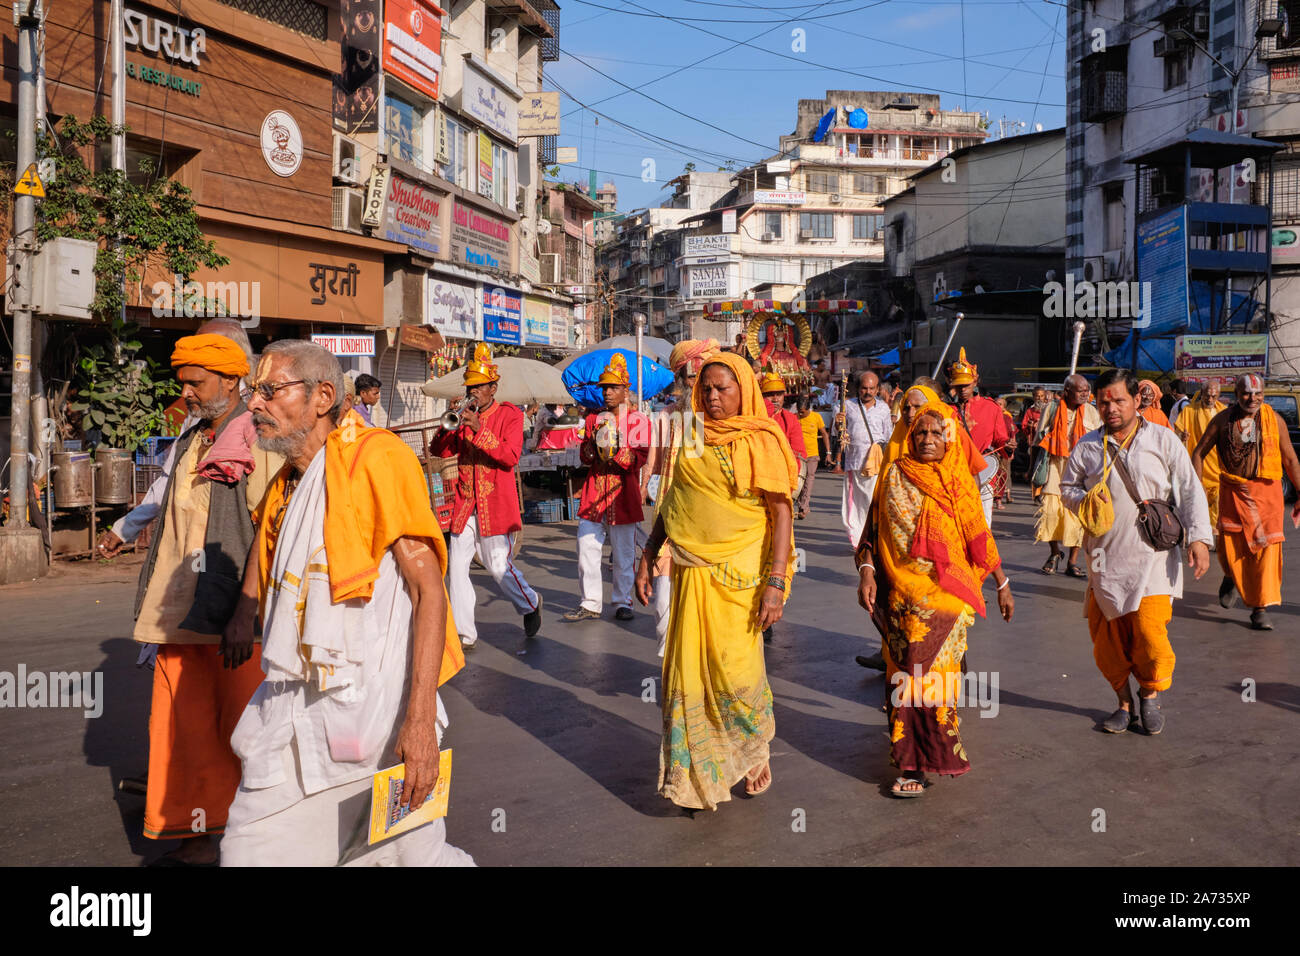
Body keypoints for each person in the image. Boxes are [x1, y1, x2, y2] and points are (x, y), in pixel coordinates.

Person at [220, 341, 473, 866]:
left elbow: (429, 590)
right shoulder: (288, 482)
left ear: (323, 396)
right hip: (291, 712)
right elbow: (264, 555)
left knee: (408, 858)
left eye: (270, 391)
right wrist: (245, 609)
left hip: (377, 714)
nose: (254, 405)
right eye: (253, 392)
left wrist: (420, 721)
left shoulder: (377, 457)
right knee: (249, 848)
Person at [132, 332, 280, 865]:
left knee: (244, 731)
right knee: (183, 732)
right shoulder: (194, 438)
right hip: (178, 619)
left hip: (234, 621)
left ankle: (254, 835)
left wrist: (246, 611)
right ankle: (196, 831)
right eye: (183, 383)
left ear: (230, 379)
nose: (187, 392)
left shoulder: (258, 439)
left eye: (195, 382)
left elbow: (269, 532)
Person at [634, 351, 797, 810]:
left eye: (721, 388)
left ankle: (752, 750)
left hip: (741, 573)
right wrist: (649, 552)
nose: (711, 396)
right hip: (689, 570)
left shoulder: (760, 438)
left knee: (735, 669)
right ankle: (698, 775)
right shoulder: (688, 431)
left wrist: (777, 582)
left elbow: (781, 511)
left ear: (742, 389)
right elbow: (673, 500)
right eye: (705, 388)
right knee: (686, 672)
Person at [855, 403, 1014, 797]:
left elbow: (979, 536)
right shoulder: (893, 474)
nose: (927, 439)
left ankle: (922, 762)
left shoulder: (958, 481)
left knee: (927, 678)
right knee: (903, 676)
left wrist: (1002, 582)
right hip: (899, 594)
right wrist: (867, 571)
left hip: (946, 595)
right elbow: (872, 531)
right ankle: (909, 759)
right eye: (920, 432)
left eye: (935, 433)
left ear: (949, 439)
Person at [1061, 369, 1212, 734]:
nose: (1111, 408)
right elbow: (1067, 487)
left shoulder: (1162, 439)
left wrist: (1198, 539)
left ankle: (1150, 693)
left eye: (1118, 400)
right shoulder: (1087, 446)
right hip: (1104, 559)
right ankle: (1123, 703)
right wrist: (1085, 500)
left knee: (1149, 632)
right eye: (1104, 402)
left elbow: (1190, 489)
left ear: (1136, 400)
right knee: (1107, 641)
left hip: (1153, 559)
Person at [97, 319, 256, 561]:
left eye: (205, 347)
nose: (185, 393)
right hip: (189, 549)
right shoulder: (196, 417)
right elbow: (170, 480)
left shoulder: (259, 415)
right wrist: (126, 527)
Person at [428, 344, 542, 649]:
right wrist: (447, 423)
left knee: (496, 565)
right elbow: (438, 451)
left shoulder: (510, 416)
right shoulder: (463, 415)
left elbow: (510, 456)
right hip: (465, 503)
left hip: (496, 504)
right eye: (470, 387)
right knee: (457, 567)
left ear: (493, 387)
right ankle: (465, 634)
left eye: (479, 387)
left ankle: (530, 603)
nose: (473, 392)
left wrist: (479, 430)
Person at [1191, 373, 1300, 631]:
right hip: (1233, 494)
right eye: (1247, 394)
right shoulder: (1222, 421)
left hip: (1267, 498)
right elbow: (1198, 453)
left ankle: (1259, 609)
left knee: (1264, 554)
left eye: (1258, 393)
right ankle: (1230, 576)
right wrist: (1195, 489)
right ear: (1236, 395)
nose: (1253, 398)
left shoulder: (1275, 420)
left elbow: (1291, 460)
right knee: (1231, 552)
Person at [641, 338, 718, 656]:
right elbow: (651, 467)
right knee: (664, 602)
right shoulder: (666, 418)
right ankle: (668, 665)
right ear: (680, 379)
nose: (695, 383)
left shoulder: (720, 420)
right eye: (689, 376)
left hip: (711, 530)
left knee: (707, 608)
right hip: (671, 526)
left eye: (701, 376)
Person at [564, 353, 651, 622]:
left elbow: (639, 459)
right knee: (586, 547)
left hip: (622, 494)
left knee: (624, 553)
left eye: (613, 387)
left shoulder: (639, 421)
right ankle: (590, 602)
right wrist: (592, 444)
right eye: (604, 388)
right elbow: (585, 458)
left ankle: (623, 601)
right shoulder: (592, 420)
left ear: (626, 390)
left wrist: (613, 448)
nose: (608, 393)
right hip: (594, 493)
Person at [1032, 374, 1101, 577]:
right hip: (1055, 465)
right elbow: (1038, 442)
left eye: (1087, 390)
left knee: (1077, 517)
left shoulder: (1091, 412)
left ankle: (1072, 562)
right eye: (1081, 391)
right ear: (1067, 392)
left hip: (1081, 470)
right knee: (1050, 512)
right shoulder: (1051, 409)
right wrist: (1032, 470)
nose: (1085, 394)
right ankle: (1055, 553)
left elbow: (1098, 445)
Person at [946, 348, 1010, 527]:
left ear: (975, 381)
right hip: (954, 472)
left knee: (983, 522)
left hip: (983, 469)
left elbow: (1001, 440)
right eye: (958, 386)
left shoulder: (992, 408)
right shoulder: (946, 410)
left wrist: (1009, 446)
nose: (962, 390)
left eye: (965, 385)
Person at [836, 370, 893, 546]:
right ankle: (857, 539)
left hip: (876, 464)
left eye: (872, 388)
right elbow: (838, 434)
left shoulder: (884, 408)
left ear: (878, 389)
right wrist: (839, 424)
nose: (867, 392)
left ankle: (872, 537)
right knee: (853, 505)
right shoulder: (846, 406)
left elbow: (888, 436)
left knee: (873, 502)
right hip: (855, 463)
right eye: (864, 388)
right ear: (857, 388)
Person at [1173, 382, 1226, 531]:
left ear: (1218, 396)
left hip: (1217, 464)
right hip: (1198, 464)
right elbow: (1176, 433)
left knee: (1218, 499)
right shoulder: (1189, 411)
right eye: (1207, 395)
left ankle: (1215, 529)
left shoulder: (1223, 411)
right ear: (1201, 394)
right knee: (1198, 499)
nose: (1210, 399)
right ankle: (1202, 530)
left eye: (1213, 396)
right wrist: (1181, 436)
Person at [795, 397, 831, 519]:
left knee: (808, 481)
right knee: (798, 480)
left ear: (808, 409)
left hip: (812, 455)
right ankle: (802, 504)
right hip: (797, 455)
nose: (800, 414)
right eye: (799, 411)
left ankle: (803, 507)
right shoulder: (794, 417)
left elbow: (824, 434)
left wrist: (828, 452)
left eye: (803, 412)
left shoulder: (816, 417)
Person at [991, 396, 1017, 508]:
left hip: (1004, 450)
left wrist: (1012, 451)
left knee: (1003, 474)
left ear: (1004, 407)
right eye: (996, 403)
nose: (998, 405)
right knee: (991, 475)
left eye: (1000, 404)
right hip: (991, 450)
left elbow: (1012, 435)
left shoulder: (1007, 418)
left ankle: (999, 500)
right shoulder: (989, 417)